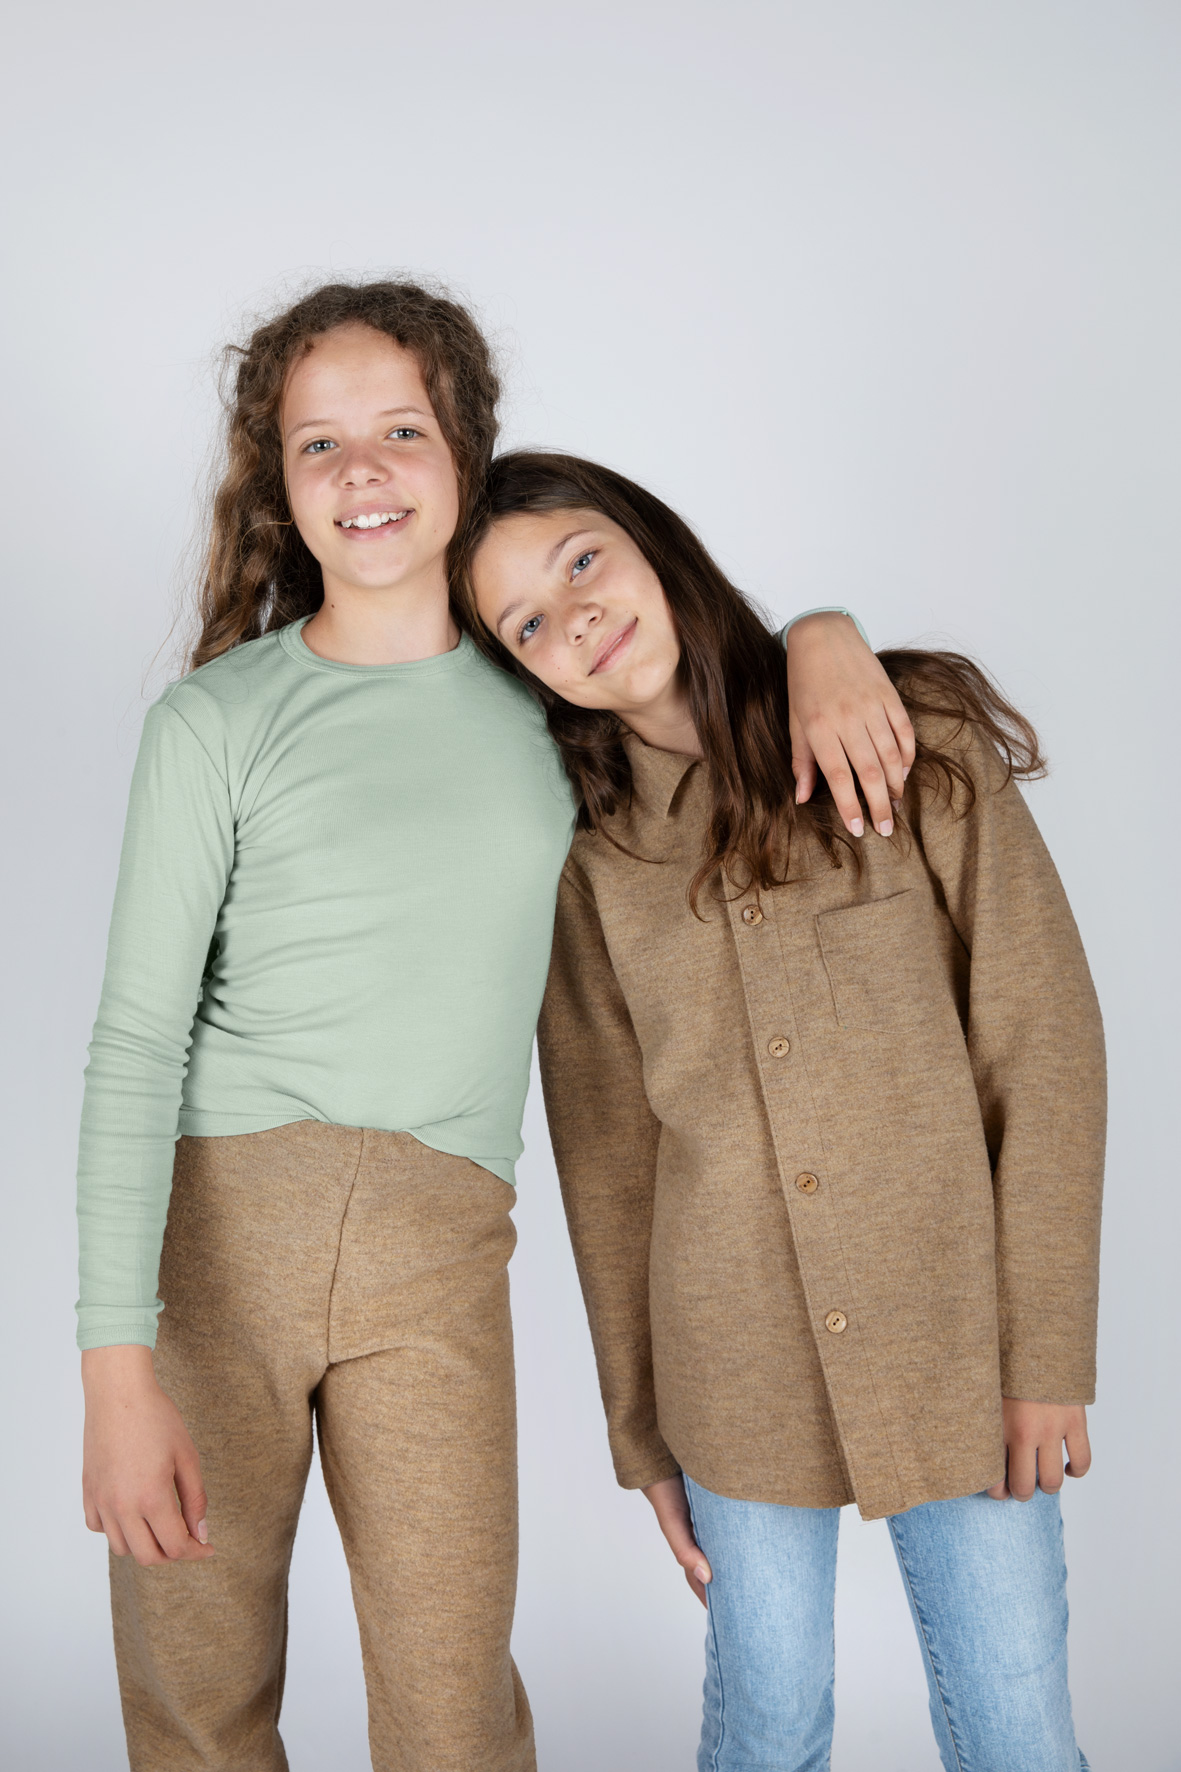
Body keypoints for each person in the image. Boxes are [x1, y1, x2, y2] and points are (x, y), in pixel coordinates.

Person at [76, 280, 907, 1772]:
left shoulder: (552, 713)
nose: (364, 470)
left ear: (465, 449)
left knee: (453, 1706)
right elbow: (136, 1044)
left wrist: (824, 636)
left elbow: (695, 692)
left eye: (401, 430)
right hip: (213, 1250)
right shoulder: (215, 723)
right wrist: (114, 1375)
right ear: (279, 484)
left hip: (441, 1251)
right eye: (320, 444)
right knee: (196, 1694)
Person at [462, 450, 1104, 1772]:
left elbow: (1041, 1049)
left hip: (954, 1336)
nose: (573, 618)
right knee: (766, 1726)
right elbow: (607, 1165)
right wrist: (641, 1436)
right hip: (726, 1366)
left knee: (1015, 1728)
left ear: (650, 542)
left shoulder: (908, 733)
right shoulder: (586, 865)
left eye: (581, 560)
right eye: (526, 623)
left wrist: (1045, 1354)